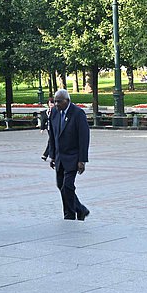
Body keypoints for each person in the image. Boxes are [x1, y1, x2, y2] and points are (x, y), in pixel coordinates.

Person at [45, 89, 91, 220]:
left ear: (67, 101)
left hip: (73, 156)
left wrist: (82, 160)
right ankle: (79, 209)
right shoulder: (54, 112)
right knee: (61, 185)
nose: (57, 104)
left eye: (59, 102)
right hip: (59, 156)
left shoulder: (77, 113)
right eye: (55, 101)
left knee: (68, 186)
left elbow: (84, 138)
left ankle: (70, 214)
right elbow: (52, 136)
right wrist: (52, 155)